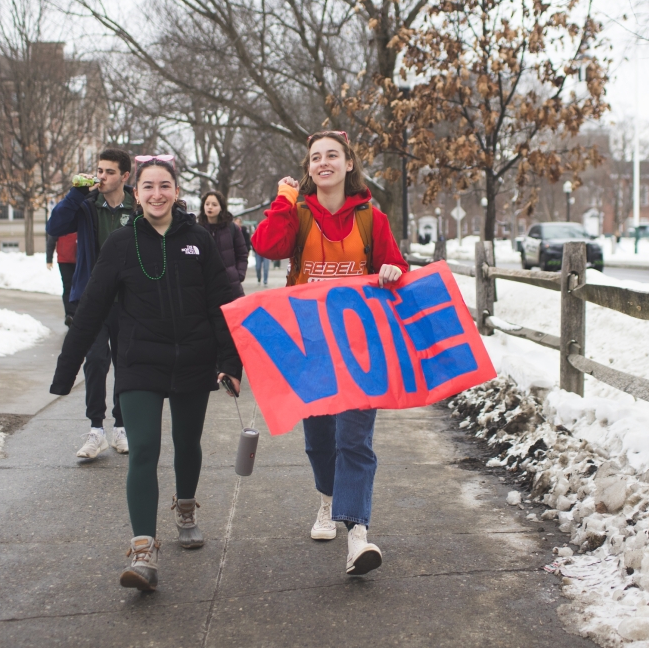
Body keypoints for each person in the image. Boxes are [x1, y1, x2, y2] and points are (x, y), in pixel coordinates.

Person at [49, 157, 242, 592]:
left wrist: (231, 363)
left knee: (187, 443)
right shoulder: (120, 242)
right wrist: (66, 372)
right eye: (148, 186)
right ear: (137, 193)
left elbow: (222, 304)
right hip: (140, 362)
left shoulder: (198, 240)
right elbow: (91, 308)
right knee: (144, 450)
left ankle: (187, 508)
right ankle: (142, 549)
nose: (157, 194)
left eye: (165, 185)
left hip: (194, 359)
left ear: (177, 191)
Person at [252, 129, 407, 576]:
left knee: (353, 441)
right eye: (315, 157)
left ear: (348, 164)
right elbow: (266, 246)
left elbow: (394, 268)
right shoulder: (297, 214)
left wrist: (393, 270)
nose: (323, 162)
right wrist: (283, 200)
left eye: (332, 155)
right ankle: (327, 499)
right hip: (310, 349)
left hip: (362, 350)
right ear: (309, 168)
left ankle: (357, 535)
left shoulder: (371, 220)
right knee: (319, 442)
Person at [46, 148, 135, 458]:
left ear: (125, 176)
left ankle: (121, 427)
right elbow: (55, 227)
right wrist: (75, 194)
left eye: (110, 172)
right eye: (99, 170)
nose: (102, 177)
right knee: (95, 361)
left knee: (125, 362)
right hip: (92, 298)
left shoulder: (136, 206)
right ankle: (95, 429)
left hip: (127, 300)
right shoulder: (85, 205)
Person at [199, 191, 248, 298]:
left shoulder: (231, 228)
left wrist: (239, 274)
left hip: (231, 286)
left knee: (234, 314)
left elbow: (242, 254)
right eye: (207, 204)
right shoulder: (197, 229)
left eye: (214, 204)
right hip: (206, 286)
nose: (210, 207)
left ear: (221, 207)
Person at [46, 232, 79, 325]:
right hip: (64, 260)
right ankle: (70, 314)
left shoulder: (80, 219)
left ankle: (78, 313)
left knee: (79, 287)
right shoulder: (61, 221)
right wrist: (49, 259)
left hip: (79, 259)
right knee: (68, 287)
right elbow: (51, 240)